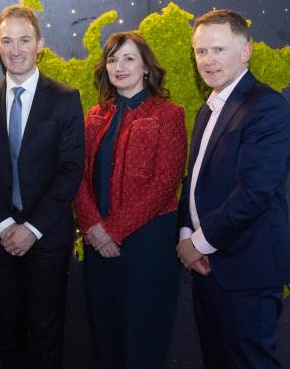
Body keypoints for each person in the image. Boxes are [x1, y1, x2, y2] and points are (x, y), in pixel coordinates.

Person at [176, 9, 290, 368]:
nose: (208, 60)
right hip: (209, 270)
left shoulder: (267, 108)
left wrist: (195, 243)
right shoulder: (209, 108)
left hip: (248, 271)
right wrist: (188, 232)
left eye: (218, 49)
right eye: (201, 51)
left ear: (246, 50)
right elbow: (196, 181)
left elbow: (253, 193)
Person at [0, 4, 85, 369]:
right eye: (7, 41)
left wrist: (31, 229)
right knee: (8, 335)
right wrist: (4, 226)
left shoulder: (66, 99)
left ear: (40, 45)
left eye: (24, 40)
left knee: (47, 336)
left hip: (47, 238)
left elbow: (70, 170)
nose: (15, 49)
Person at [74, 32, 187, 368]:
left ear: (146, 67)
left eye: (128, 58)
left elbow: (166, 181)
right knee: (105, 338)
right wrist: (93, 226)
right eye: (112, 59)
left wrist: (113, 229)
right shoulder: (95, 115)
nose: (119, 66)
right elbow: (77, 176)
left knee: (143, 340)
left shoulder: (168, 114)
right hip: (99, 246)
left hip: (148, 245)